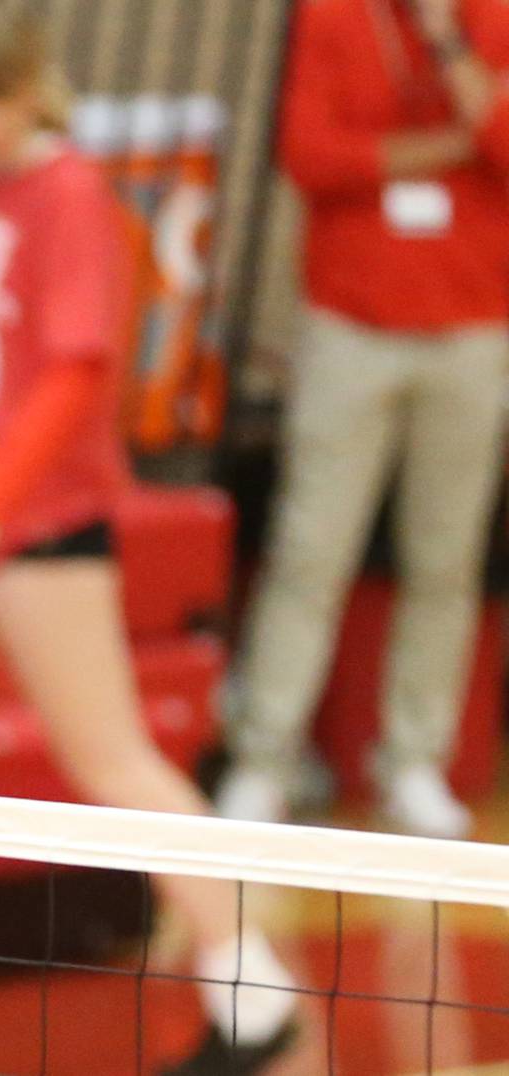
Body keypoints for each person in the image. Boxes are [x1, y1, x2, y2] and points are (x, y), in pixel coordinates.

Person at [0, 8, 297, 1074]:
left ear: (25, 98)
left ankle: (254, 990)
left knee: (113, 757)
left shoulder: (72, 195)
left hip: (37, 525)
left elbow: (81, 370)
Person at [218, 0, 509, 839]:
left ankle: (413, 762)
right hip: (349, 326)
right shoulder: (332, 14)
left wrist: (448, 40)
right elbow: (308, 153)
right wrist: (439, 145)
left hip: (472, 328)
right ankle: (264, 759)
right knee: (312, 551)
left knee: (445, 560)